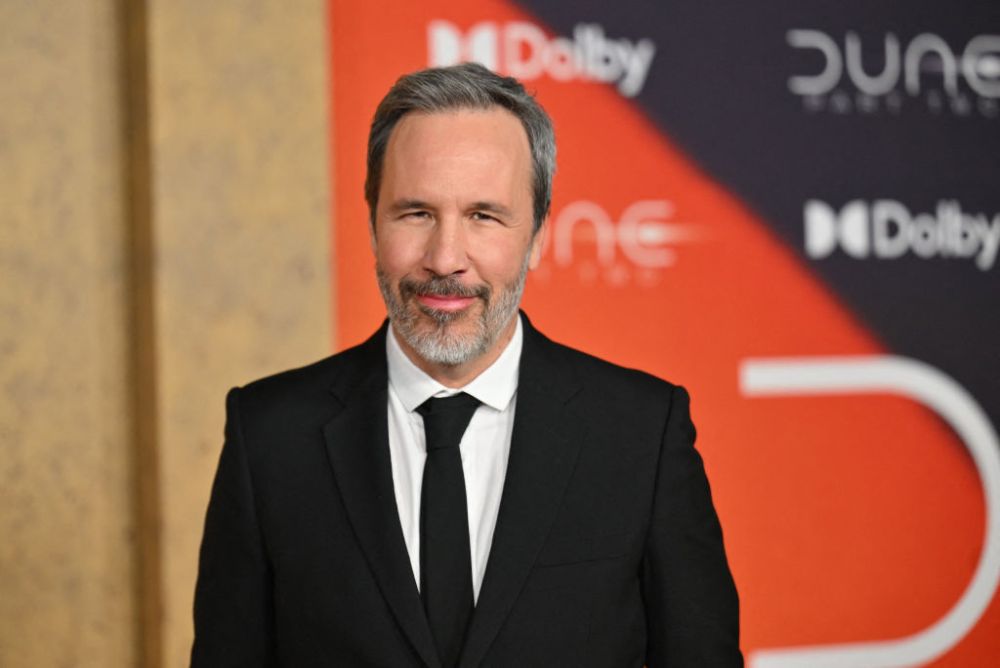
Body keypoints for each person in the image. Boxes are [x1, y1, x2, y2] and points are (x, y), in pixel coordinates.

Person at [192, 62, 741, 667]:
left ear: (535, 235)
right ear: (373, 224)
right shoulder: (269, 436)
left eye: (483, 215)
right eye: (416, 212)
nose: (446, 258)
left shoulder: (641, 433)